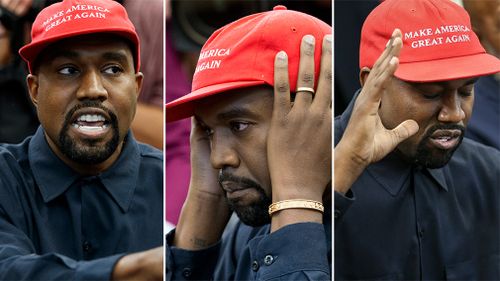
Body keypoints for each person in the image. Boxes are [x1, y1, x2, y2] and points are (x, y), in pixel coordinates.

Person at [334, 0, 500, 280]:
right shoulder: (307, 171)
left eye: (467, 91)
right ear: (373, 82)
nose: (454, 113)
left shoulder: (489, 175)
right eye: (430, 94)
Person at [165, 6, 332, 280]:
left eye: (239, 125)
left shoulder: (368, 224)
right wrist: (202, 205)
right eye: (208, 130)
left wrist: (295, 198)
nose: (218, 158)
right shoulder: (249, 227)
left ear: (314, 117)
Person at [0, 0, 163, 279]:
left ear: (136, 88)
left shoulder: (170, 185)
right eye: (68, 70)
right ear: (35, 89)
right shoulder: (6, 178)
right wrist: (136, 270)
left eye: (112, 69)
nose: (93, 90)